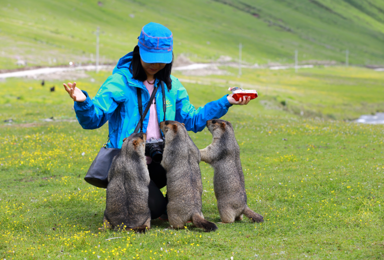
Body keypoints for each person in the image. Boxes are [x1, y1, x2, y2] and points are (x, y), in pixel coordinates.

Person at [63, 22, 252, 220]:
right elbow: (93, 119)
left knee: (187, 162)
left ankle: (155, 197)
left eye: (161, 60)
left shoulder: (173, 86)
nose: (156, 64)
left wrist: (227, 101)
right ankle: (136, 198)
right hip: (129, 159)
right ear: (139, 52)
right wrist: (84, 102)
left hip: (159, 156)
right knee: (156, 210)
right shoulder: (119, 82)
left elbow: (194, 120)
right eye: (150, 59)